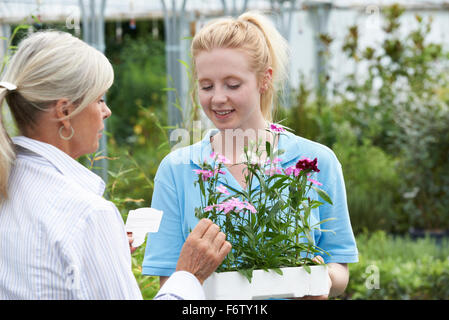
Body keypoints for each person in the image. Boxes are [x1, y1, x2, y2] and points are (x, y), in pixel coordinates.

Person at [0, 30, 231, 300]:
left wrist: (101, 247)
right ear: (64, 112)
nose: (106, 111)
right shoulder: (86, 215)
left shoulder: (10, 185)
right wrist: (188, 275)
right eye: (99, 99)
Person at [142, 11, 358, 298]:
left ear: (264, 79)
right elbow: (170, 284)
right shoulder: (176, 169)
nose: (217, 98)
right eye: (206, 85)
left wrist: (323, 279)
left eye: (232, 85)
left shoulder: (318, 161)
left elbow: (340, 266)